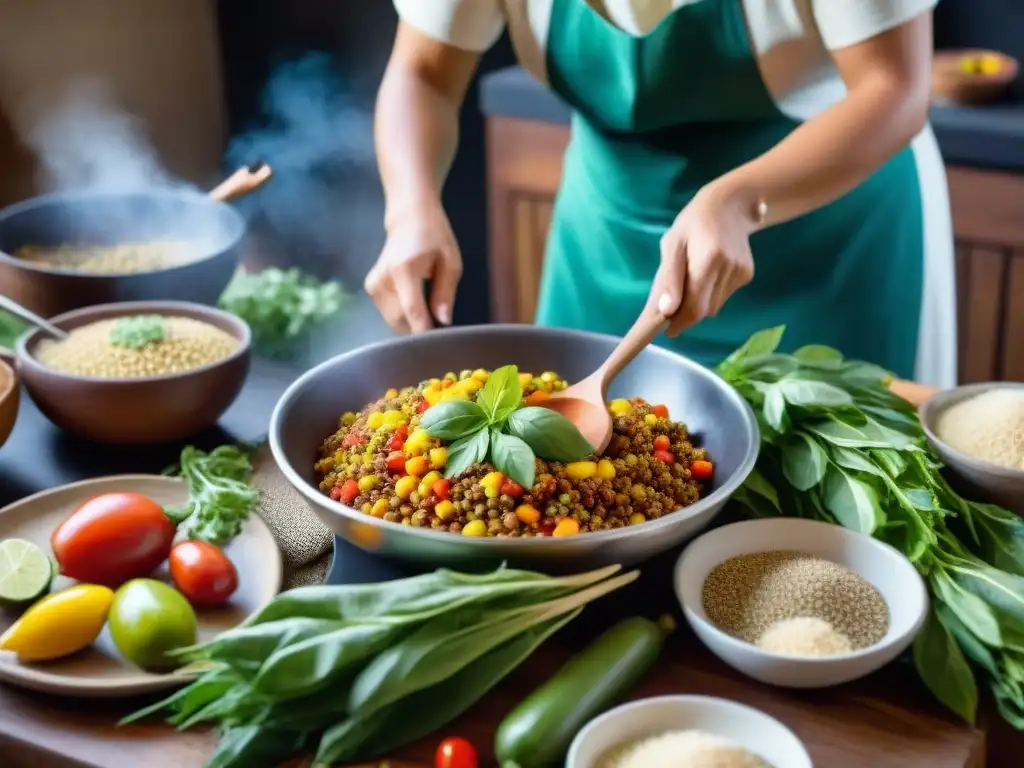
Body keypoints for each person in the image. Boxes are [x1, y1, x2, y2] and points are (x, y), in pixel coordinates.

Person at [367, 0, 956, 388]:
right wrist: (411, 207)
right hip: (606, 242)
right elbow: (423, 73)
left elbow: (895, 88)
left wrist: (737, 200)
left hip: (828, 245)